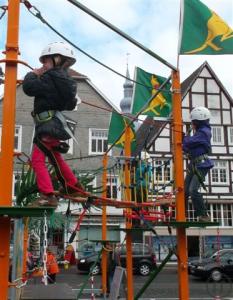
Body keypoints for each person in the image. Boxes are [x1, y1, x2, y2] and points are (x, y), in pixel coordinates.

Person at [23, 41, 84, 207]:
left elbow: (28, 88)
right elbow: (70, 104)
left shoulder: (49, 77)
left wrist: (33, 73)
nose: (43, 65)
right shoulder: (67, 82)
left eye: (46, 61)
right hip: (54, 125)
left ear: (57, 59)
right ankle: (72, 186)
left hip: (47, 125)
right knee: (55, 158)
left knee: (37, 160)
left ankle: (47, 195)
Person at [183, 107, 214, 222]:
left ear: (197, 122)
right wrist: (185, 141)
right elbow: (186, 146)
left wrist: (184, 139)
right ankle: (182, 215)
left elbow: (189, 143)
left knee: (193, 190)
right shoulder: (199, 133)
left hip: (201, 164)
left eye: (193, 122)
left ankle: (204, 215)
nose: (191, 124)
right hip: (194, 165)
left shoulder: (204, 132)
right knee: (184, 191)